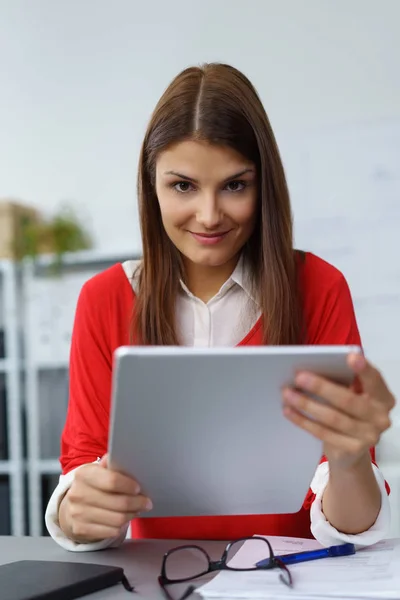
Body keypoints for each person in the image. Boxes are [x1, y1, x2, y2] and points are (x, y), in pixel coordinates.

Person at [45, 63, 395, 552]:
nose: (209, 215)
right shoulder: (104, 298)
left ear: (263, 185)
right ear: (152, 187)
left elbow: (353, 526)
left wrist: (352, 459)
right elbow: (82, 474)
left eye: (235, 185)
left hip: (293, 582)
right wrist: (76, 511)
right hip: (164, 581)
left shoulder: (319, 287)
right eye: (183, 186)